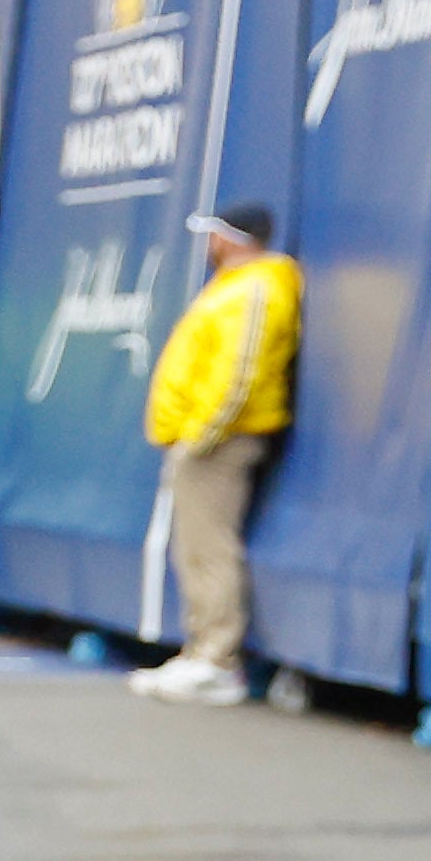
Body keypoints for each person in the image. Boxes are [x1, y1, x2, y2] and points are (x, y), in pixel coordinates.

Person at [130, 203, 298, 710]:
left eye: (215, 235)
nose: (210, 245)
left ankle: (218, 661)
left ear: (232, 238)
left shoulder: (258, 288)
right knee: (194, 549)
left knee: (211, 549)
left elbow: (240, 372)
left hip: (222, 442)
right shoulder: (234, 286)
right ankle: (201, 651)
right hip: (206, 440)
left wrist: (202, 437)